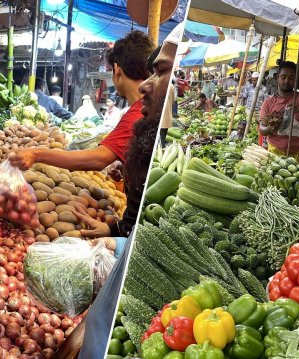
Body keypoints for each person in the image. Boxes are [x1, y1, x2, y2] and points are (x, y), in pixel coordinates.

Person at [76, 27, 180, 359]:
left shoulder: (146, 121)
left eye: (161, 71)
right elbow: (136, 218)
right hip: (130, 245)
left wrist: (35, 155)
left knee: (99, 328)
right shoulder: (147, 127)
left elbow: (99, 158)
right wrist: (115, 232)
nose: (146, 84)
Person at [10, 31, 154, 171]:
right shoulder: (149, 107)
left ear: (117, 69)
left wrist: (37, 154)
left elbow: (99, 159)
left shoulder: (137, 115)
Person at [259, 60, 299, 159]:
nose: (286, 81)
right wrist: (273, 126)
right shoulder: (268, 102)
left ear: (295, 79)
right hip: (275, 151)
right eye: (283, 77)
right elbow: (262, 130)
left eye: (291, 78)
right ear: (277, 77)